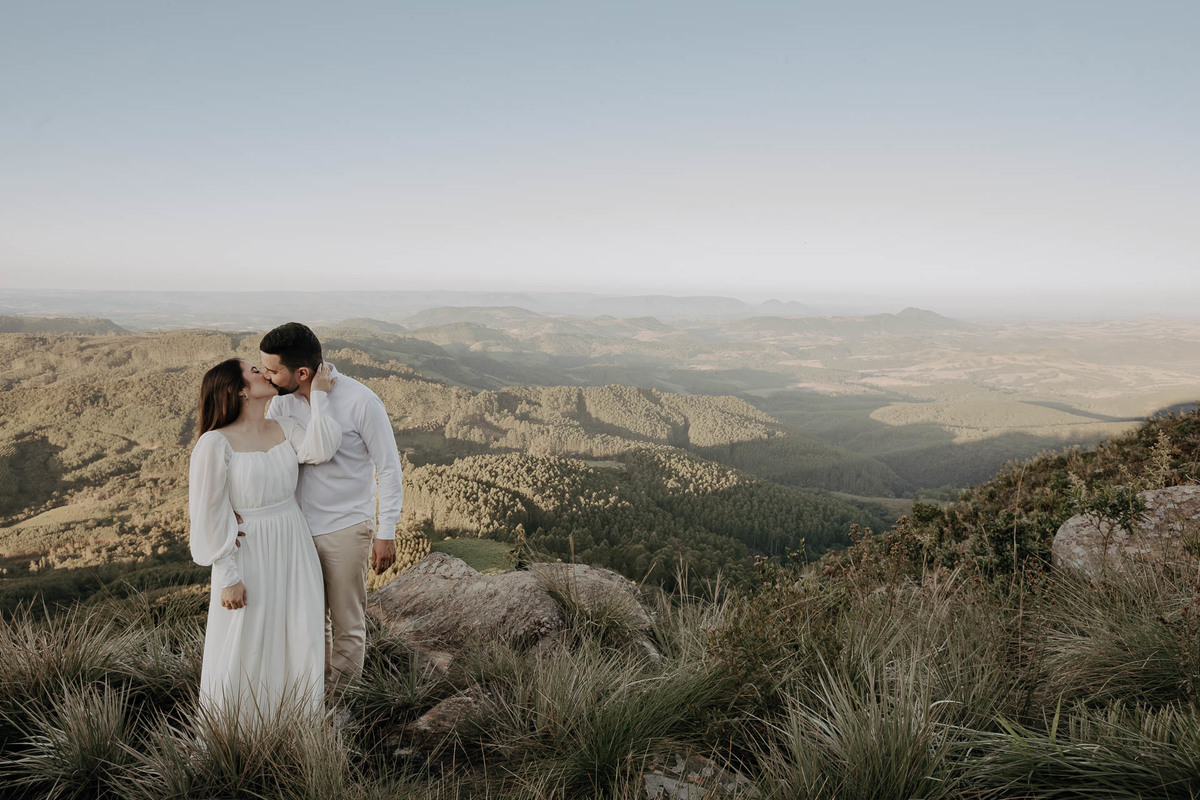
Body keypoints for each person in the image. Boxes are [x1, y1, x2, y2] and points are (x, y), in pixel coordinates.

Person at [188, 358, 341, 723]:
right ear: (238, 390)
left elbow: (322, 448)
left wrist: (319, 396)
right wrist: (227, 575)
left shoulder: (283, 426)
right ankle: (236, 739)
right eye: (255, 371)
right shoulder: (215, 443)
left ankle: (297, 731)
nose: (266, 373)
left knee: (298, 635)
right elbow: (207, 513)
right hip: (248, 552)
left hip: (293, 544)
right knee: (247, 641)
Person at [259, 322, 403, 698]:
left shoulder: (361, 401)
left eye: (273, 370)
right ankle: (313, 697)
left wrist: (386, 531)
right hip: (296, 528)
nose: (267, 377)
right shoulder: (281, 401)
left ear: (302, 373)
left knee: (347, 623)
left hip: (345, 528)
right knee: (309, 621)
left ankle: (343, 705)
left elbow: (389, 468)